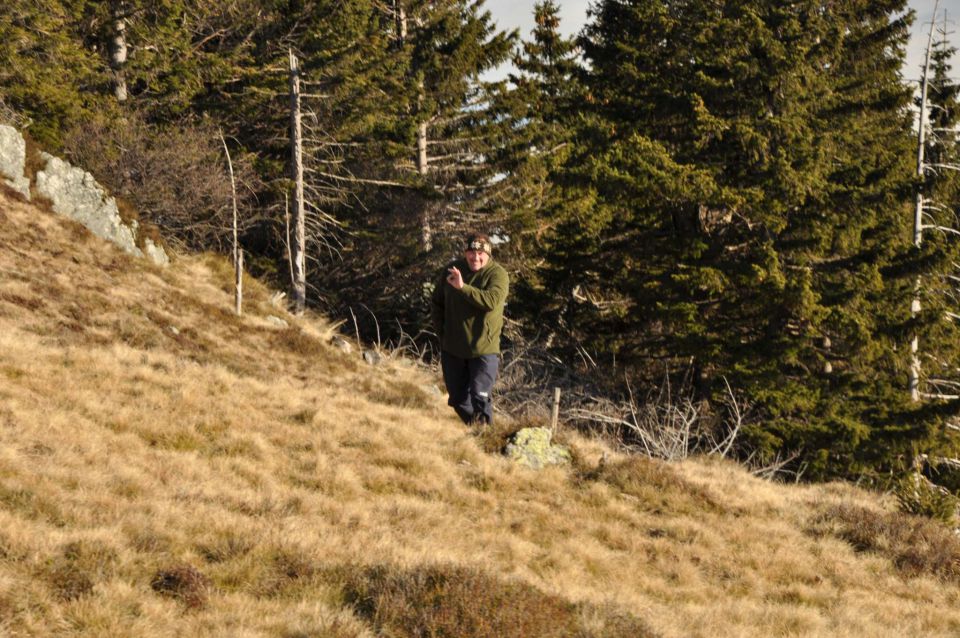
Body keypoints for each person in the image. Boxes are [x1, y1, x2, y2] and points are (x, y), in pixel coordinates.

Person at [430, 233, 509, 425]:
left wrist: (462, 287)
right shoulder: (451, 270)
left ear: (488, 255)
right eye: (472, 253)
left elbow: (490, 301)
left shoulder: (497, 274)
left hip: (483, 349)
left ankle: (485, 440)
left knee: (480, 398)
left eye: (481, 253)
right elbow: (437, 302)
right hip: (453, 349)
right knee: (457, 400)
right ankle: (477, 430)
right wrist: (443, 334)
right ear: (465, 253)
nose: (476, 257)